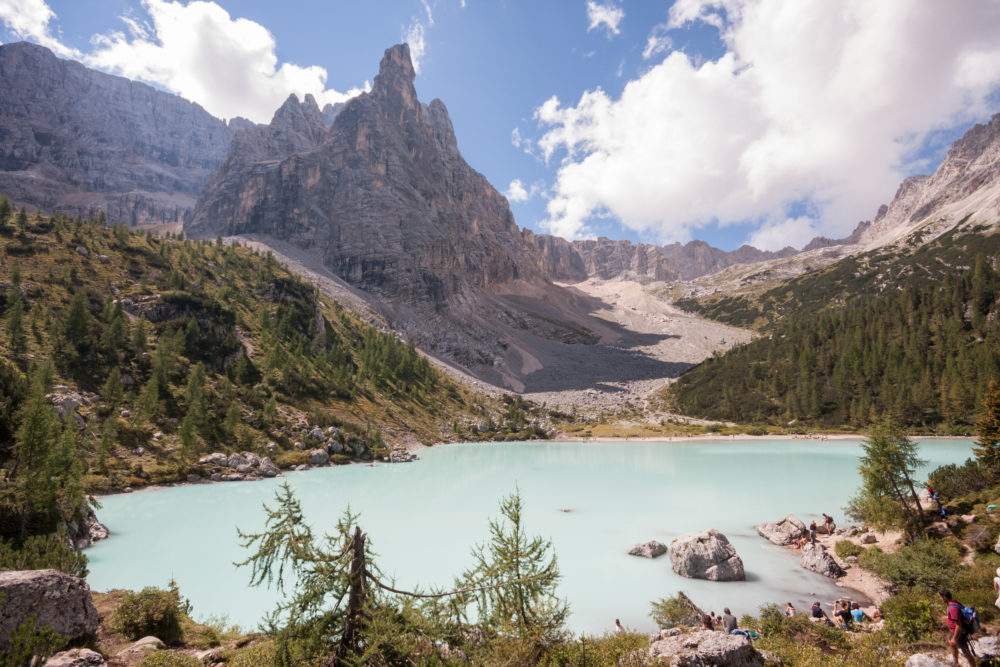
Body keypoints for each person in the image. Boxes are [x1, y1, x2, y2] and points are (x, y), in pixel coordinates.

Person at [939, 589, 976, 667]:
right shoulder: (954, 603)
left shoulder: (953, 608)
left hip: (958, 632)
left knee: (965, 651)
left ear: (945, 597)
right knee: (952, 644)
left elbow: (958, 625)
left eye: (940, 597)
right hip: (954, 630)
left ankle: (972, 665)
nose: (940, 599)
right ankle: (956, 663)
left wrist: (954, 638)